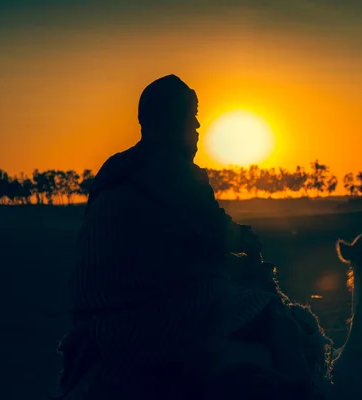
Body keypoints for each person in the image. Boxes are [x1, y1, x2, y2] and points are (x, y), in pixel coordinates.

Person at [62, 74, 311, 397]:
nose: (197, 126)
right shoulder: (174, 170)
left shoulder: (114, 169)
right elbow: (220, 233)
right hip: (153, 316)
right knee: (276, 317)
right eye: (190, 115)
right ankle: (305, 390)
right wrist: (247, 239)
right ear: (168, 120)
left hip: (92, 320)